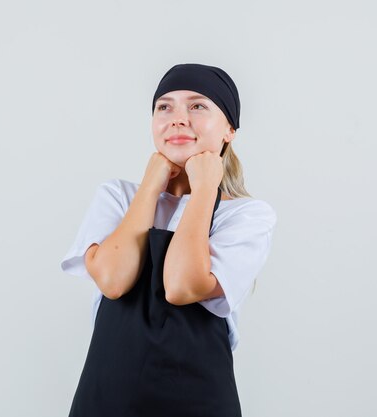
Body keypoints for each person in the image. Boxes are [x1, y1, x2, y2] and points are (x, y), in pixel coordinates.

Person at [60, 63, 277, 417]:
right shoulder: (117, 197)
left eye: (197, 106)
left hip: (200, 402)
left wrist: (206, 186)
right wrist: (152, 182)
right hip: (106, 401)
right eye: (165, 106)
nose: (178, 118)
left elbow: (180, 286)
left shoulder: (247, 217)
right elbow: (113, 280)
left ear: (229, 130)